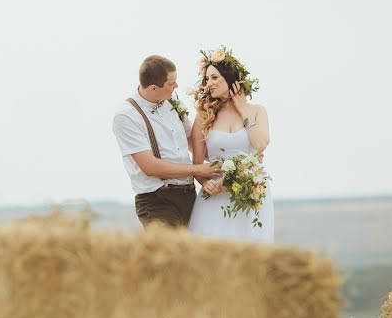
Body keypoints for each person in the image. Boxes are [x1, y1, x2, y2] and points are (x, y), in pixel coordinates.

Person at [112, 55, 222, 229]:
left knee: (193, 254)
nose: (176, 86)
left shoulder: (173, 100)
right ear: (154, 88)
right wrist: (198, 169)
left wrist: (229, 159)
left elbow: (193, 142)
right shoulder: (126, 116)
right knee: (168, 253)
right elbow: (150, 167)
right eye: (172, 83)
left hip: (189, 195)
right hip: (157, 201)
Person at [187, 49, 275, 242]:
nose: (209, 83)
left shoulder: (257, 111)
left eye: (214, 77)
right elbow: (197, 164)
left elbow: (260, 144)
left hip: (249, 193)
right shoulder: (204, 116)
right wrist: (206, 183)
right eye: (207, 78)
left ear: (231, 80)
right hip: (216, 194)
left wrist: (243, 108)